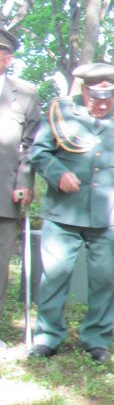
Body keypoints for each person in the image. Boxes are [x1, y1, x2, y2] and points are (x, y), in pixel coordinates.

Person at [29, 63, 114, 363]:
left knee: (103, 280)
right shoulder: (60, 111)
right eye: (96, 97)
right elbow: (39, 152)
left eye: (109, 97)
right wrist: (58, 173)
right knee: (54, 277)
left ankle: (97, 338)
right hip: (62, 212)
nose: (103, 104)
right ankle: (48, 336)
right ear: (84, 90)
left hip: (107, 216)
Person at [0, 27, 40, 320]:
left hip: (4, 193)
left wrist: (24, 182)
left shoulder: (25, 94)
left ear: (8, 59)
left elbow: (31, 143)